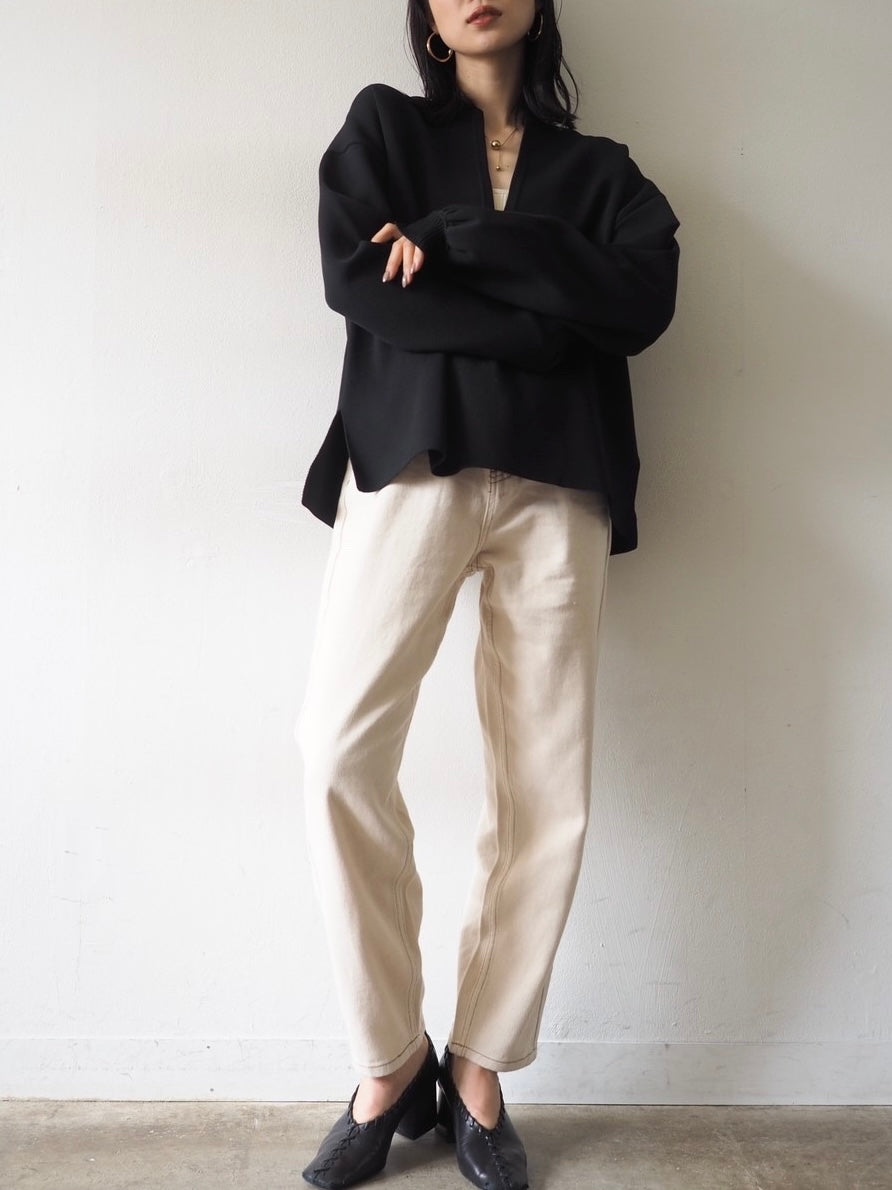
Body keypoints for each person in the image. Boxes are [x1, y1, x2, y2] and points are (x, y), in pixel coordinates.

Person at [296, 2, 680, 1187]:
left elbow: (641, 300)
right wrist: (548, 320)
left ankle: (478, 1066)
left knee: (544, 787)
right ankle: (388, 1057)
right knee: (335, 750)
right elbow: (360, 281)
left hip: (559, 483)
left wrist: (457, 239)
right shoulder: (383, 130)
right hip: (413, 459)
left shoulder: (601, 171)